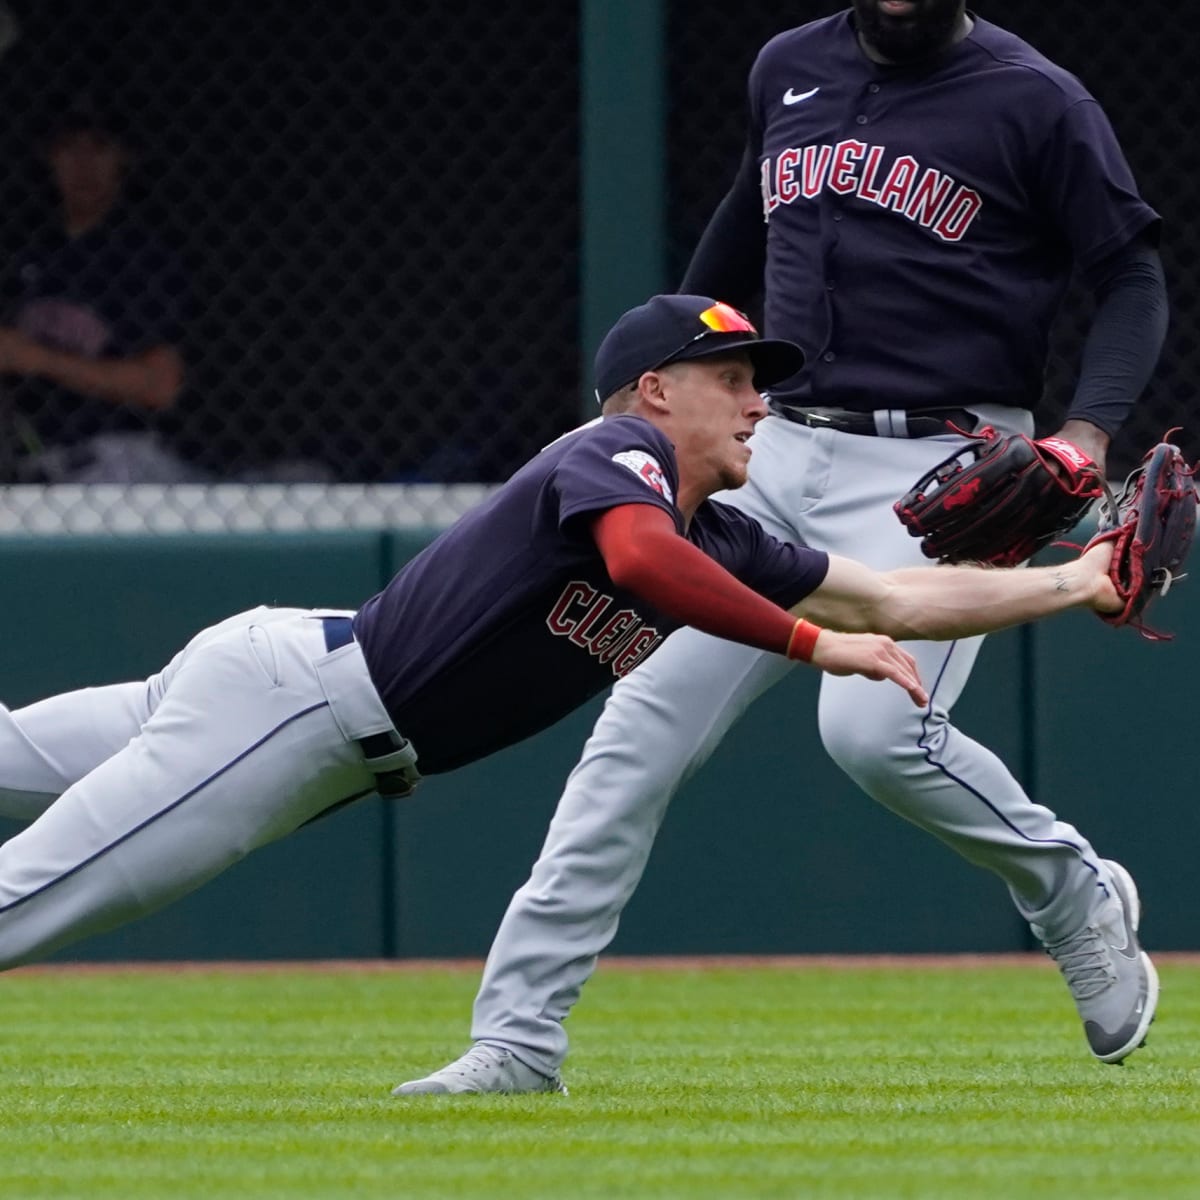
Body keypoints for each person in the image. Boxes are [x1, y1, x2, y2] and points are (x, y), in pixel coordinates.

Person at [0, 295, 1130, 1046]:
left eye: (758, 381)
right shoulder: (610, 457)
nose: (759, 402)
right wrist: (810, 643)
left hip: (279, 679)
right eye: (731, 378)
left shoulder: (723, 533)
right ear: (655, 391)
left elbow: (897, 595)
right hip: (289, 713)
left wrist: (1076, 583)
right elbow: (640, 558)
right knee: (37, 899)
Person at [399, 0, 1169, 1095]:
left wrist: (1085, 430)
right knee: (633, 740)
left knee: (876, 734)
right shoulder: (788, 65)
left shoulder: (1036, 98)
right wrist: (646, 402)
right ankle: (518, 1042)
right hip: (769, 450)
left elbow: (1132, 277)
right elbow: (737, 240)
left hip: (940, 469)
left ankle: (1068, 887)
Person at [0, 106, 204, 483]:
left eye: (99, 147)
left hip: (121, 461)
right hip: (33, 468)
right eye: (69, 148)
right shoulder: (24, 255)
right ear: (48, 158)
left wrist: (40, 359)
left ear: (124, 158)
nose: (83, 164)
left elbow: (160, 386)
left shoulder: (142, 256)